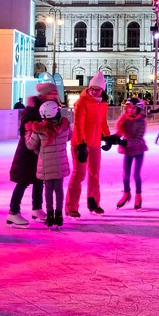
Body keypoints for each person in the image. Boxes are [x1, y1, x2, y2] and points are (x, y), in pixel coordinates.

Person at [7, 82, 56, 228]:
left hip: (40, 150)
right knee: (22, 181)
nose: (54, 95)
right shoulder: (32, 108)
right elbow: (24, 129)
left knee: (38, 180)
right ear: (44, 94)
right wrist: (36, 130)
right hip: (27, 151)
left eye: (55, 92)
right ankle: (13, 213)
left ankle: (37, 209)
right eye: (51, 92)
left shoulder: (52, 107)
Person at [65, 72, 110, 217]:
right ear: (89, 88)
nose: (95, 92)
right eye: (92, 89)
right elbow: (78, 125)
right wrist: (81, 144)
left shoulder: (102, 104)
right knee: (79, 174)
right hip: (81, 144)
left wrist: (107, 137)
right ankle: (71, 207)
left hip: (95, 143)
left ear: (102, 90)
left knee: (94, 174)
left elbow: (103, 122)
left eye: (98, 89)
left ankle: (94, 203)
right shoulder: (82, 102)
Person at [25, 100, 72, 230]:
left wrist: (28, 133)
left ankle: (50, 215)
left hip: (45, 164)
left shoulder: (39, 129)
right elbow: (69, 137)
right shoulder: (65, 126)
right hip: (60, 163)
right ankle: (59, 215)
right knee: (59, 190)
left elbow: (30, 145)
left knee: (48, 191)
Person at [116, 97, 148, 210]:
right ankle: (126, 193)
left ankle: (138, 196)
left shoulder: (141, 121)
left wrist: (125, 142)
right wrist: (111, 140)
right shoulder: (125, 118)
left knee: (136, 175)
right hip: (128, 150)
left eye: (133, 108)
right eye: (129, 107)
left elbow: (138, 139)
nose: (130, 110)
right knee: (126, 175)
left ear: (138, 109)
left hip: (138, 149)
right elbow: (119, 131)